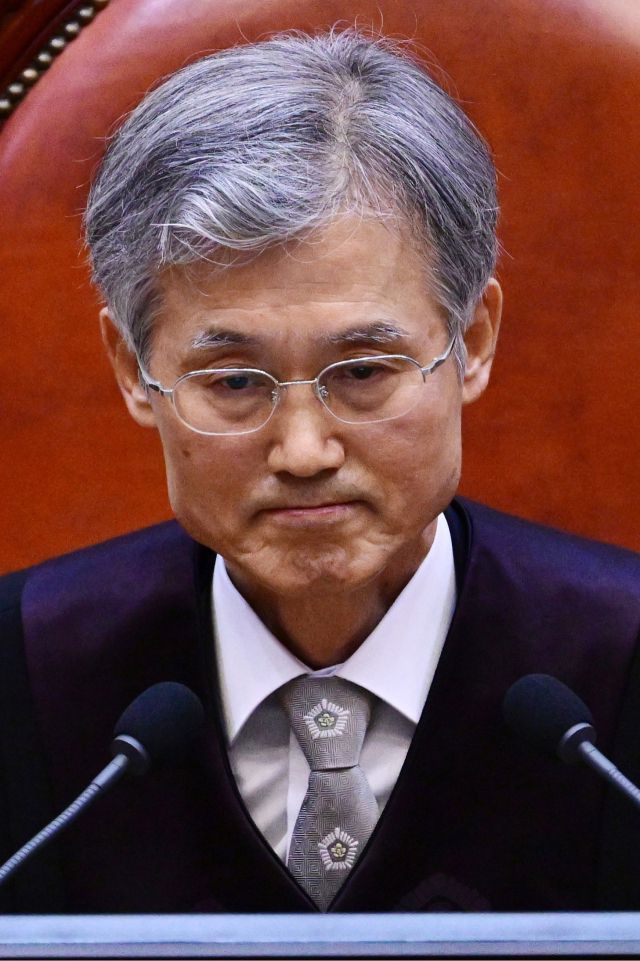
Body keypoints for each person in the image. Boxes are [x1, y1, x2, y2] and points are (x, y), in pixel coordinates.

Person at [0, 28, 639, 915]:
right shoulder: (24, 671)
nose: (304, 452)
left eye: (364, 371)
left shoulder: (619, 659)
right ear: (133, 370)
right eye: (233, 382)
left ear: (473, 340)